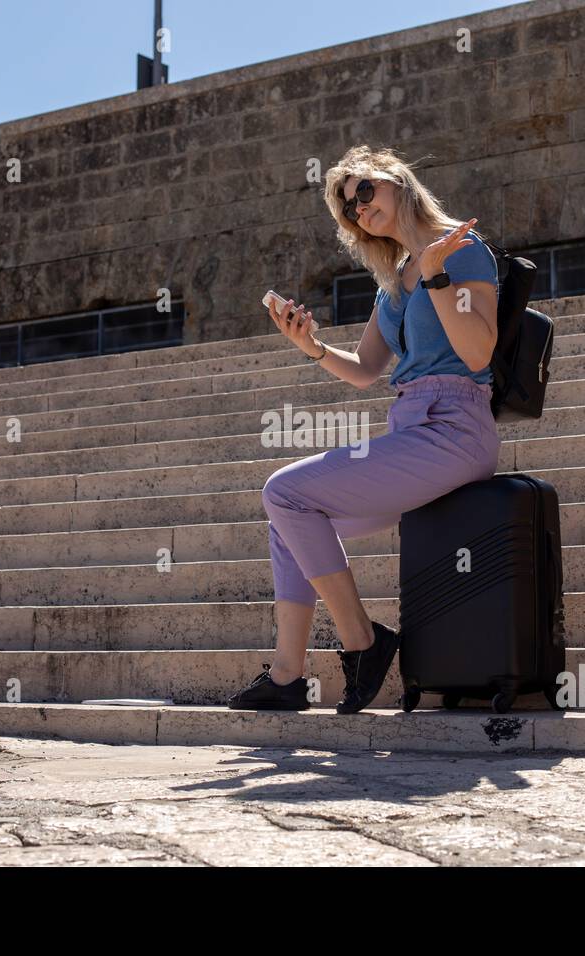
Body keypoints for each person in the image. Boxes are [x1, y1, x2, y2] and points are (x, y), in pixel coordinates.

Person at [226, 145, 502, 714]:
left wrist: (438, 276)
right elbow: (365, 371)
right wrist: (312, 347)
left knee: (284, 490)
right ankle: (287, 675)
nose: (358, 208)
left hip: (456, 428)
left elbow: (478, 352)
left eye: (364, 191)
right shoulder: (395, 278)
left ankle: (364, 643)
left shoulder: (460, 249)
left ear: (397, 179)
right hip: (413, 431)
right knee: (287, 520)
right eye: (348, 207)